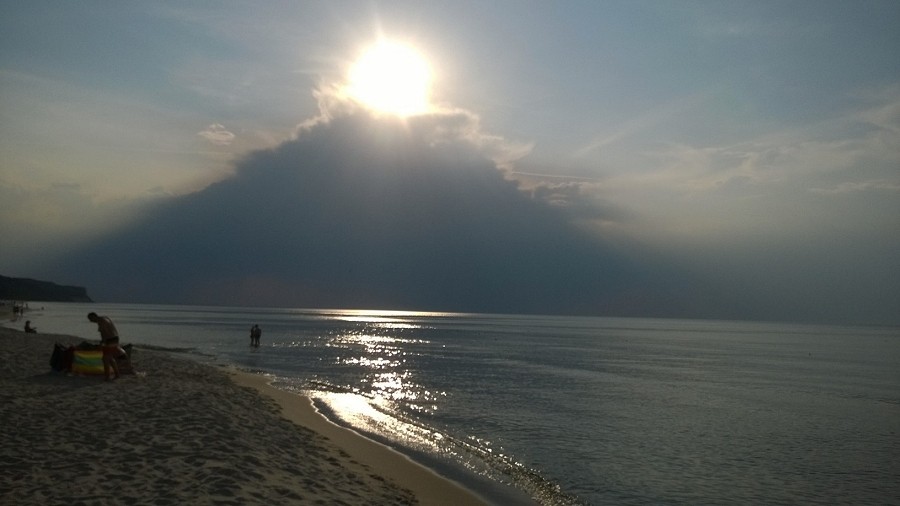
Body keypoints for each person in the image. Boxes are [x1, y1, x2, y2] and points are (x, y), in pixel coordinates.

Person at [88, 312, 123, 381]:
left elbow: (104, 333)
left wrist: (102, 343)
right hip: (115, 338)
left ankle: (107, 376)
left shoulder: (101, 321)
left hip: (109, 340)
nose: (90, 321)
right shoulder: (106, 318)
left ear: (94, 317)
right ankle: (117, 374)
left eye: (90, 319)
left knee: (105, 359)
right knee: (110, 358)